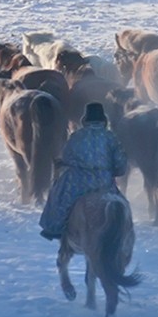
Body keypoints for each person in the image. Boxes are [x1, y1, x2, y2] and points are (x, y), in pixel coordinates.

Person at [39, 101, 128, 240]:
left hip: (78, 181)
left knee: (59, 197)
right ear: (103, 120)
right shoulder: (111, 137)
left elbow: (67, 156)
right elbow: (121, 163)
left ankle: (54, 228)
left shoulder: (77, 136)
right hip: (103, 183)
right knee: (123, 206)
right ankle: (124, 232)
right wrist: (114, 171)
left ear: (85, 119)